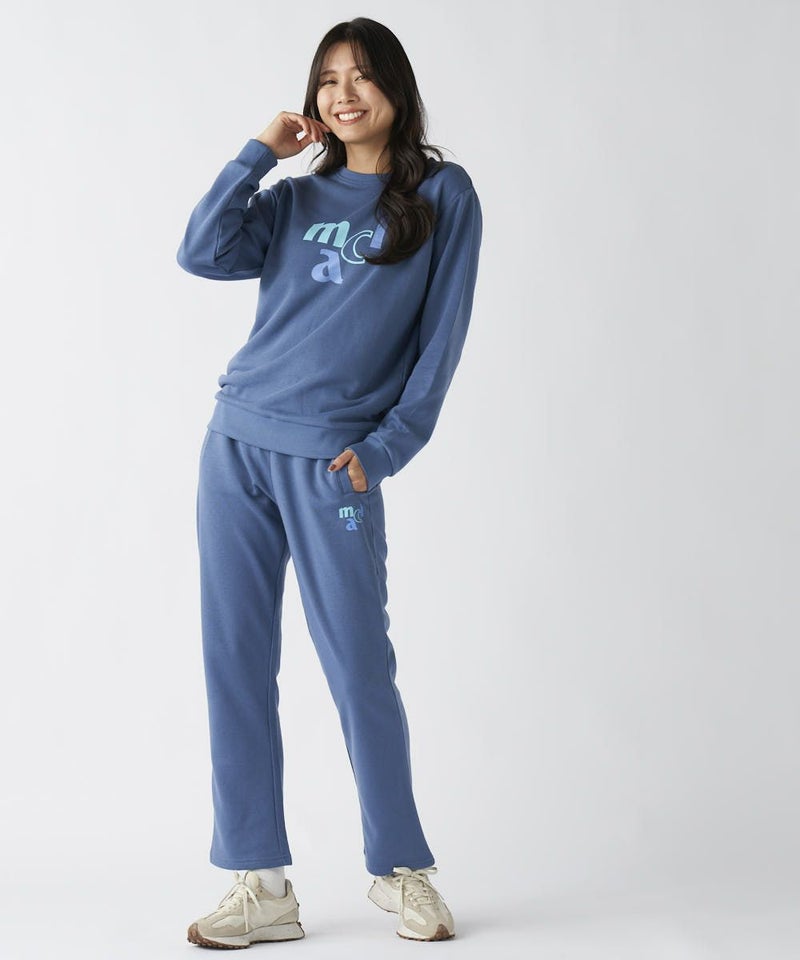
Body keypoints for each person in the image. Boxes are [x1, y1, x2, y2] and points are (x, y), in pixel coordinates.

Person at [176, 16, 482, 948]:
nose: (343, 95)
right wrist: (256, 156)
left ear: (395, 85)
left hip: (335, 462)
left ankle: (401, 870)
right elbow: (200, 251)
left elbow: (441, 342)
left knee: (358, 666)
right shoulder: (294, 197)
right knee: (235, 661)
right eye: (327, 80)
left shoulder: (442, 195)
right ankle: (260, 884)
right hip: (236, 444)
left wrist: (385, 449)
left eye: (361, 76)